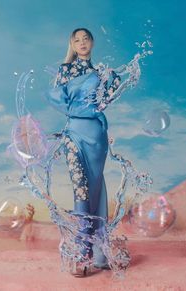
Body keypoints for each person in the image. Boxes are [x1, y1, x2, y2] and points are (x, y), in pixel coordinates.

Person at [47, 28, 121, 275]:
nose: (81, 43)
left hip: (96, 136)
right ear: (71, 44)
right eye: (76, 40)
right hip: (73, 135)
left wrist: (110, 81)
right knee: (79, 187)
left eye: (85, 39)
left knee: (95, 187)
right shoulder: (64, 71)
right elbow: (61, 102)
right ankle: (81, 254)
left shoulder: (100, 73)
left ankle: (99, 251)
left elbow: (108, 98)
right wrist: (82, 109)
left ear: (92, 43)